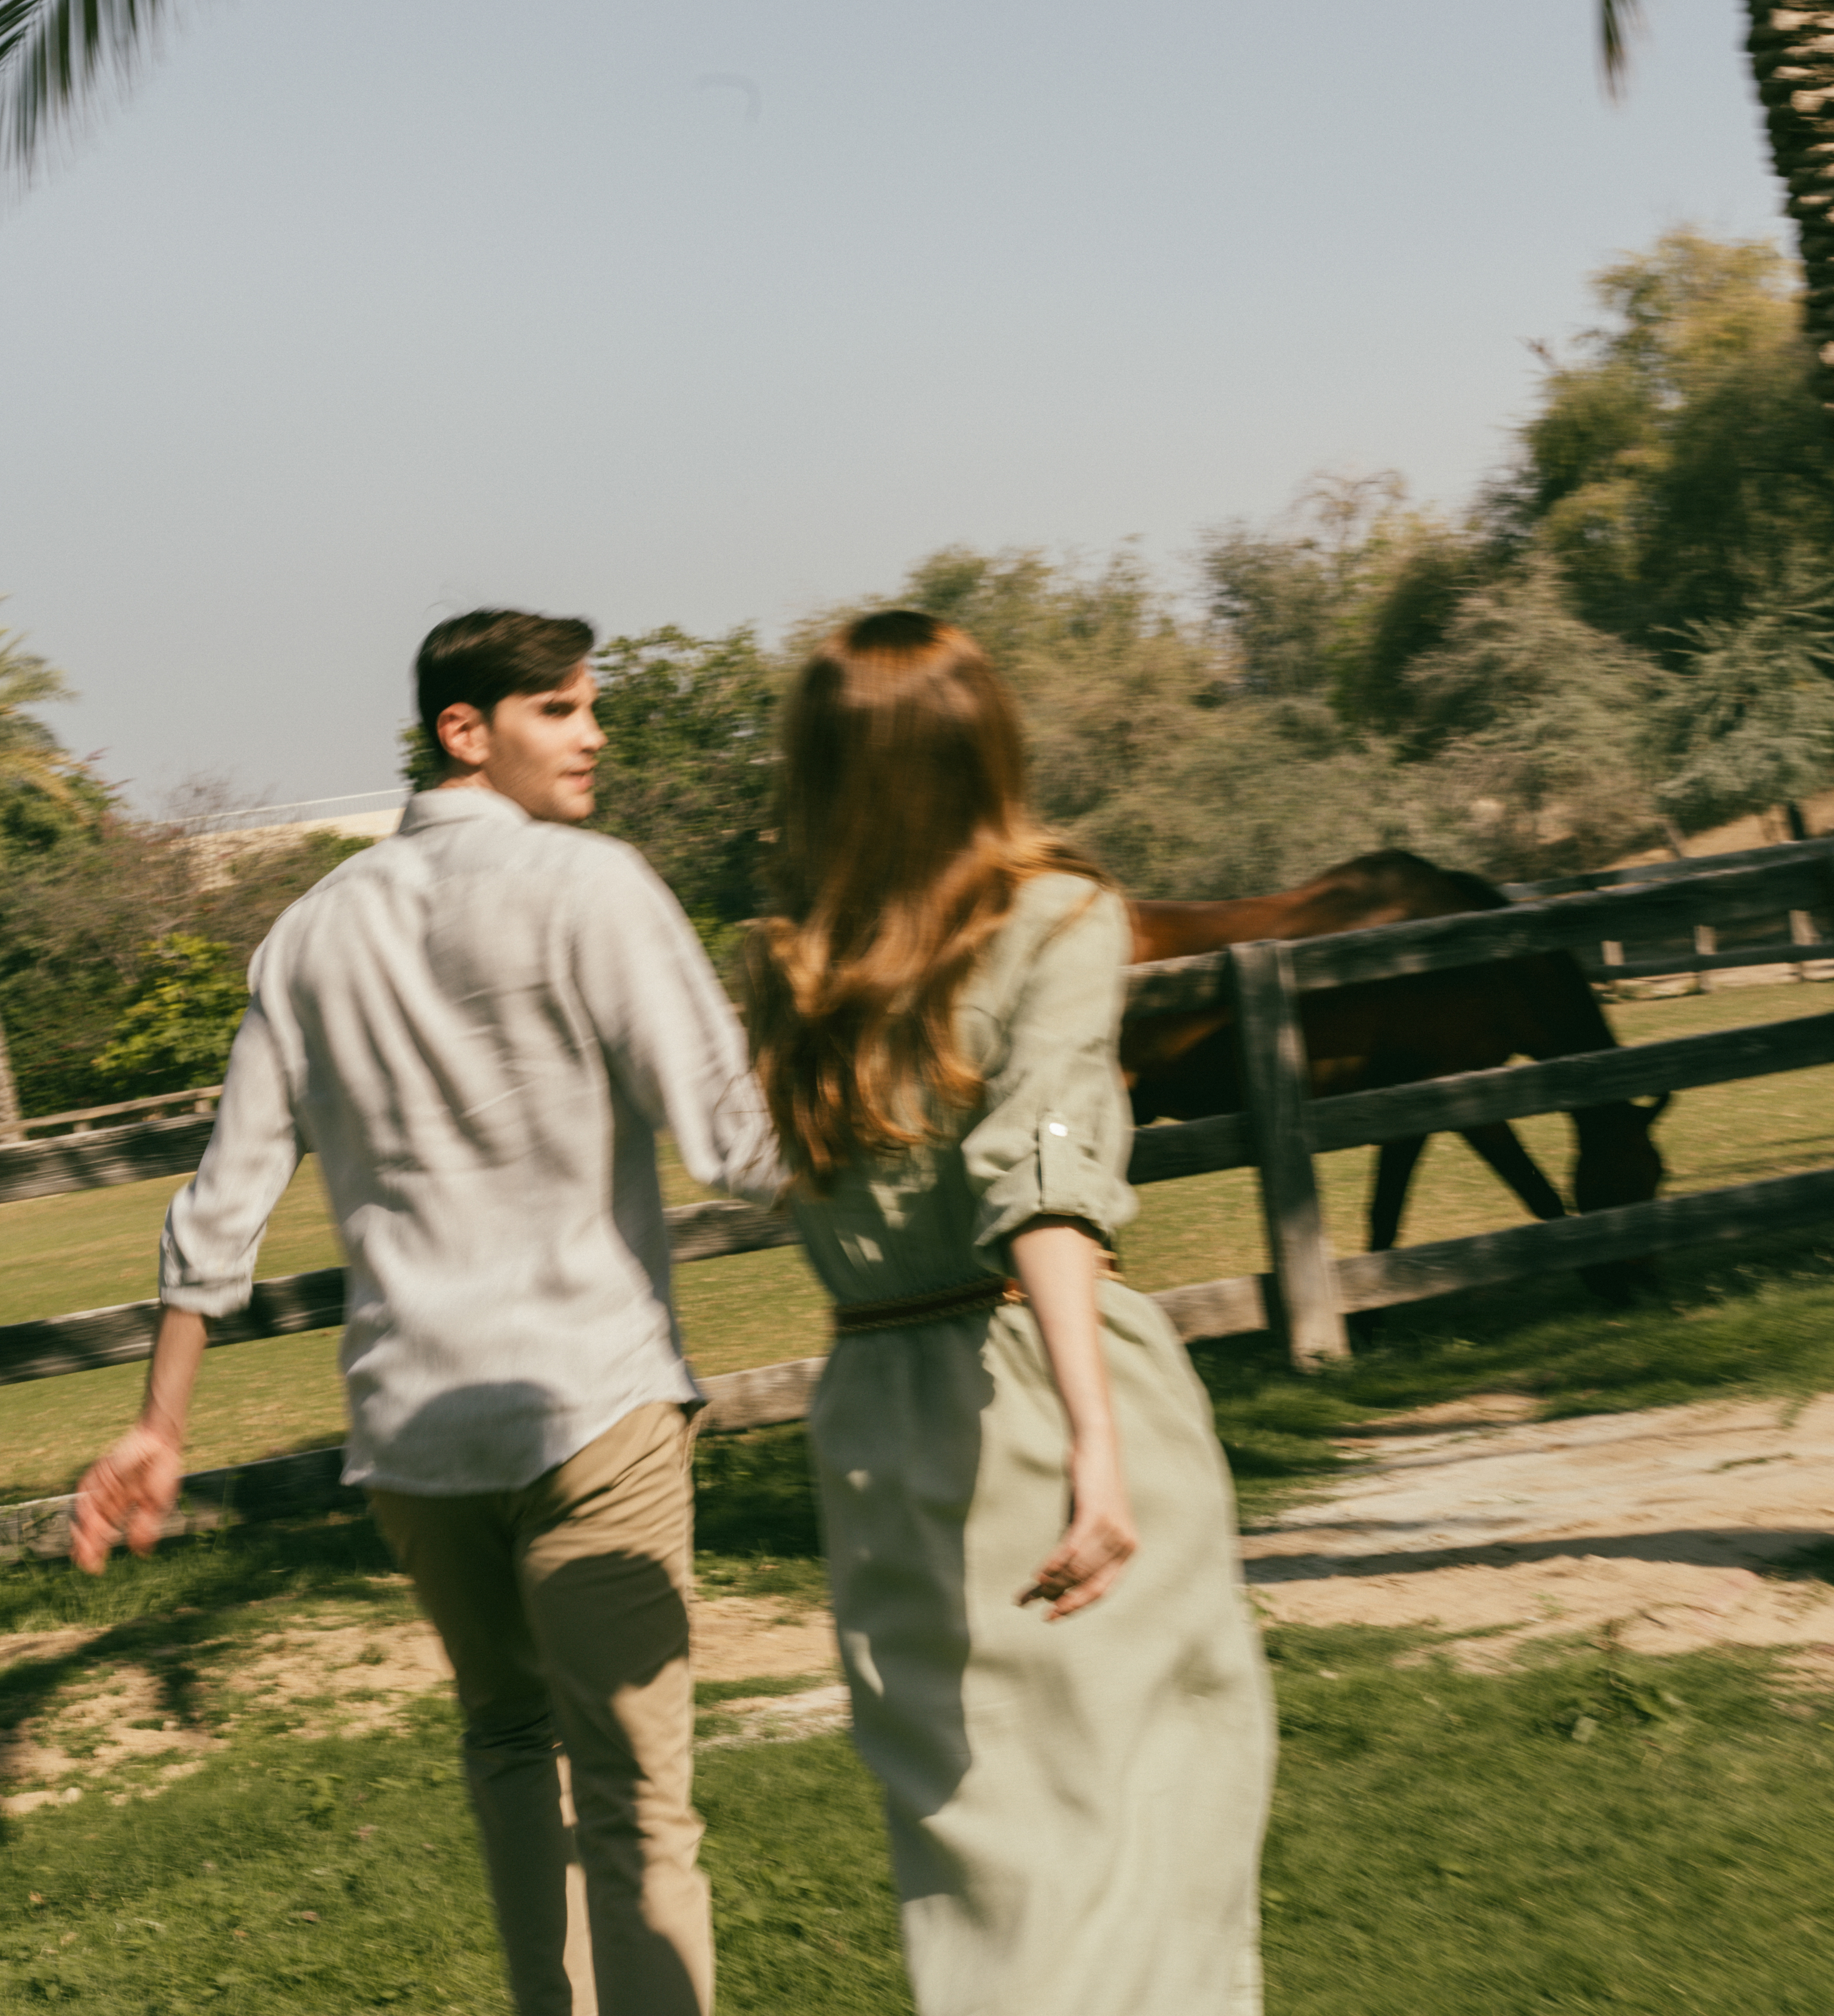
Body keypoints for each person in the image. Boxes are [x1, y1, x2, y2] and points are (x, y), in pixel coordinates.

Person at [73, 607, 784, 2016]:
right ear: (467, 728)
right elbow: (736, 1142)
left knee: (511, 1744)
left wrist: (161, 1423)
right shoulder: (599, 887)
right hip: (597, 1405)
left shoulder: (306, 935)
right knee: (641, 1800)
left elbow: (224, 1200)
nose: (595, 736)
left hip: (415, 1438)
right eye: (564, 712)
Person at [746, 609, 1276, 2016]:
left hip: (870, 1420)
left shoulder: (791, 963)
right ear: (988, 744)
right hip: (1036, 1381)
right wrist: (1095, 1445)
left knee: (979, 1847)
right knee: (1151, 1819)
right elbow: (1042, 1182)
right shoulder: (1059, 915)